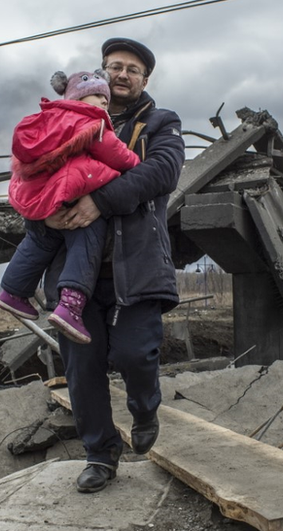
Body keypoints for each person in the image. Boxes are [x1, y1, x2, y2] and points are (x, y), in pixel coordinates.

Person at [43, 38, 184, 493]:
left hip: (137, 267)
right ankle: (100, 455)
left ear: (145, 80)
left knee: (133, 354)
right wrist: (42, 208)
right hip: (73, 277)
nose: (122, 75)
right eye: (114, 67)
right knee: (82, 370)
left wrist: (99, 200)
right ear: (100, 73)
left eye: (132, 70)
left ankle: (145, 408)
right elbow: (34, 169)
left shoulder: (161, 122)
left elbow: (161, 173)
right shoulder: (65, 117)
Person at [0, 69, 140, 344]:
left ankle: (12, 291)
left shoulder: (50, 120)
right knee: (87, 239)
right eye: (97, 95)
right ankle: (71, 306)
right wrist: (137, 164)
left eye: (105, 98)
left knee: (40, 240)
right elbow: (117, 154)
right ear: (77, 97)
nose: (103, 102)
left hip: (45, 195)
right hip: (72, 191)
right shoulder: (90, 123)